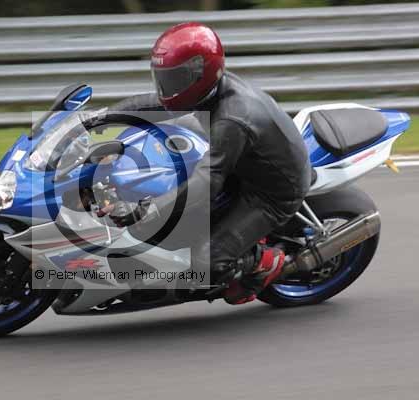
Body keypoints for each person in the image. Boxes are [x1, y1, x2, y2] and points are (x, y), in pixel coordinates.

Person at [98, 22, 311, 304]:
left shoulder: (232, 119)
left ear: (201, 74)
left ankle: (265, 261)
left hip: (270, 193)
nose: (167, 87)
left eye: (175, 78)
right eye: (164, 78)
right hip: (242, 163)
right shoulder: (208, 91)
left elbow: (205, 184)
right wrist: (99, 118)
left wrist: (146, 210)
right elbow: (151, 104)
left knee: (205, 262)